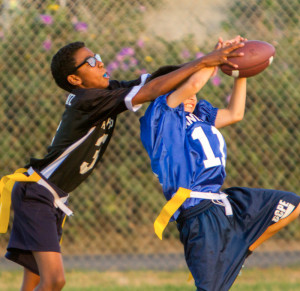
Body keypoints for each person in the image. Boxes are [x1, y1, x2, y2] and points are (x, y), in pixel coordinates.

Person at [0, 40, 244, 291]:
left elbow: (155, 80)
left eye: (97, 56)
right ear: (75, 79)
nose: (100, 62)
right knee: (54, 281)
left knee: (35, 282)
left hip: (47, 197)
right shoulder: (88, 100)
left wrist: (210, 60)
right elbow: (150, 92)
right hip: (37, 195)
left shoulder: (104, 93)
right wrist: (205, 62)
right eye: (91, 62)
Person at [139, 38, 300, 291]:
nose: (193, 94)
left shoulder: (199, 114)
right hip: (198, 211)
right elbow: (192, 81)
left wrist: (240, 71)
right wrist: (216, 56)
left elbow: (235, 113)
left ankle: (242, 249)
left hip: (223, 202)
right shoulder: (161, 117)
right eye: (183, 89)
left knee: (292, 205)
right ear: (165, 91)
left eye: (194, 92)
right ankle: (235, 251)